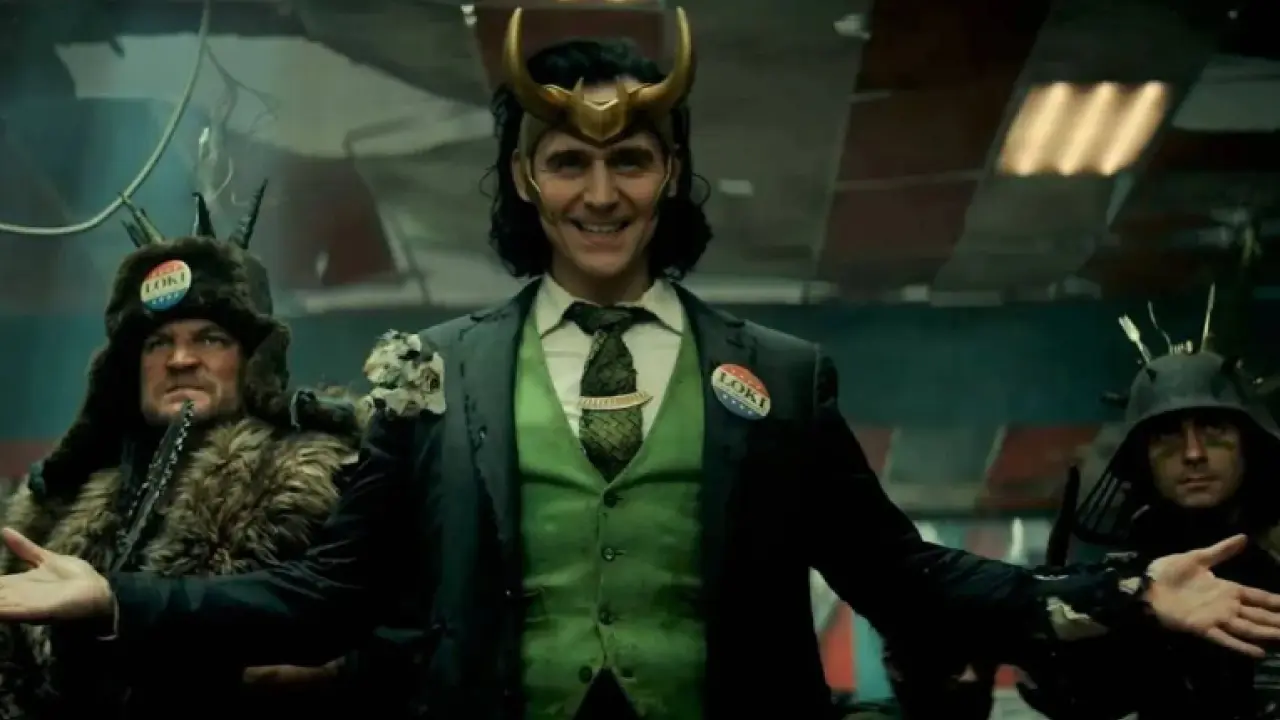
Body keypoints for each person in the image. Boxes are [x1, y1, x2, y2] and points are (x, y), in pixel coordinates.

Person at [1, 9, 1280, 720]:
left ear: (670, 174)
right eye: (568, 162)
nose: (600, 193)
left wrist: (1122, 594)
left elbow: (903, 574)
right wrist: (111, 596)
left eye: (629, 160)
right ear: (525, 179)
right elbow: (321, 597)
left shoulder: (781, 377)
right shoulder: (428, 374)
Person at [0, 189, 370, 720]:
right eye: (157, 343)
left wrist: (336, 674)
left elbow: (399, 632)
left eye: (209, 338)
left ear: (252, 359)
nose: (180, 359)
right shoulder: (57, 501)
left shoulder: (326, 478)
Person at [1018, 293, 1280, 718]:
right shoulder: (1124, 584)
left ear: (1248, 444)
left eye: (1214, 430)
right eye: (1168, 435)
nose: (1193, 453)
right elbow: (1084, 699)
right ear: (1143, 458)